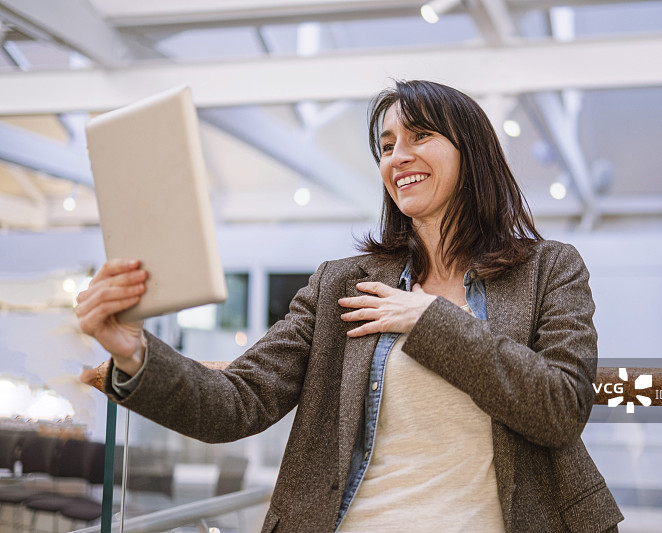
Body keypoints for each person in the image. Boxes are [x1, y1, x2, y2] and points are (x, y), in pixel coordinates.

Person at [76, 80, 623, 532]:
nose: (397, 157)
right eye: (386, 146)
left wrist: (429, 320)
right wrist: (133, 351)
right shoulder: (341, 284)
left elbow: (559, 407)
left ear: (472, 152)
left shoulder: (549, 268)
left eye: (421, 136)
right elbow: (237, 403)